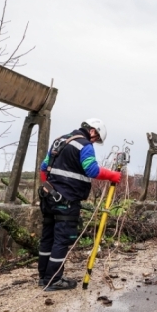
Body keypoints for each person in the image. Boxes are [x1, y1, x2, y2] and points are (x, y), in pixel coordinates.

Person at [37, 118, 121, 291]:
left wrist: (48, 189)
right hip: (66, 201)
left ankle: (44, 277)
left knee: (47, 238)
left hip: (48, 198)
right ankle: (53, 280)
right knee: (61, 241)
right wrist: (112, 176)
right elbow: (92, 170)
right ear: (92, 131)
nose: (95, 142)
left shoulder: (59, 141)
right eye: (96, 138)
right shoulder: (84, 146)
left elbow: (44, 167)